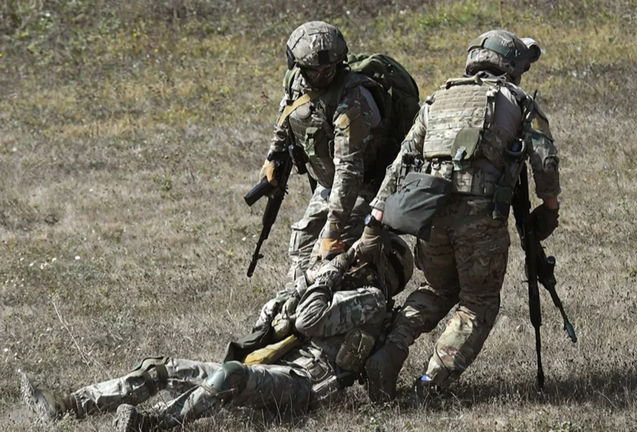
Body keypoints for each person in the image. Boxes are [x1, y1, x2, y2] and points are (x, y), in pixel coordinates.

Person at [20, 231, 414, 430]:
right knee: (163, 367)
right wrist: (303, 283)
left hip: (301, 387)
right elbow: (267, 321)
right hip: (276, 366)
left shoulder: (371, 303)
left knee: (231, 375)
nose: (348, 260)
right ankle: (72, 405)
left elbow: (309, 321)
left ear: (378, 268)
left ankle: (159, 425)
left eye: (359, 256)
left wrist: (329, 275)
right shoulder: (346, 294)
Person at [362, 30, 561, 401]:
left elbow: (402, 161)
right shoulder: (517, 100)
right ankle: (430, 386)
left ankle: (388, 354)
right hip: (479, 215)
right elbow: (544, 159)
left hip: (429, 212)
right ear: (511, 67)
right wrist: (549, 209)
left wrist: (374, 219)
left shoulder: (439, 97)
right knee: (478, 303)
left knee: (436, 288)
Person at [261, 21, 390, 280]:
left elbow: (349, 171)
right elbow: (285, 117)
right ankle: (295, 307)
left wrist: (333, 230)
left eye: (329, 69)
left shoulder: (353, 99)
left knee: (335, 260)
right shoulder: (296, 83)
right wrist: (273, 157)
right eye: (315, 70)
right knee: (302, 248)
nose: (323, 76)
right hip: (328, 183)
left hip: (364, 187)